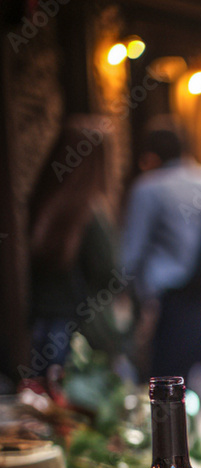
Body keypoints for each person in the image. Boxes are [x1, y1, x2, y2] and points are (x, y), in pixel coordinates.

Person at [121, 116, 201, 434]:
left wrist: (133, 300)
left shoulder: (148, 188)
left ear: (150, 156)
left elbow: (130, 255)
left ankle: (171, 464)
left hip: (177, 304)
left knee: (167, 392)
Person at [27, 116, 125, 377]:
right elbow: (108, 270)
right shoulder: (91, 212)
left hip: (40, 325)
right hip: (78, 332)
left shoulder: (41, 204)